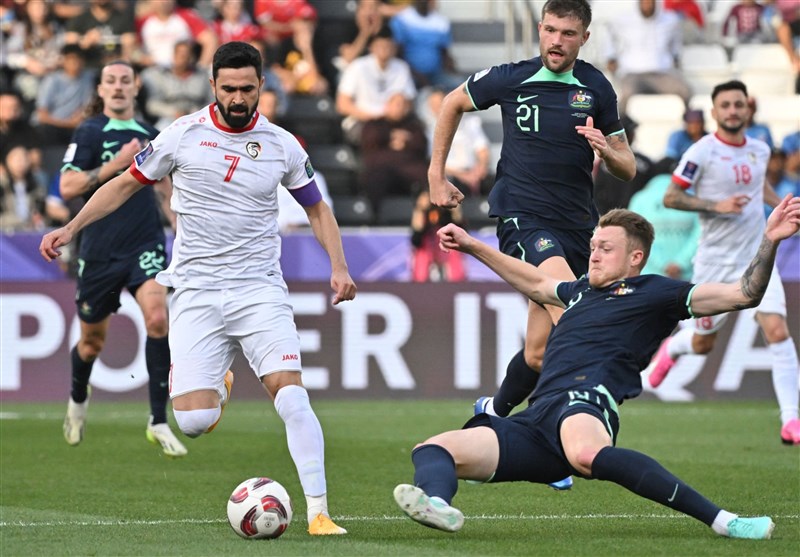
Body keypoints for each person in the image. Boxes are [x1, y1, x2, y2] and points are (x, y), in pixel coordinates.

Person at [40, 41, 356, 536]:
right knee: (192, 422)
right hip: (196, 292)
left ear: (261, 86)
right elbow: (124, 184)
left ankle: (319, 512)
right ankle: (220, 384)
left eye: (247, 89)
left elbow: (317, 208)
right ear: (212, 86)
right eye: (228, 88)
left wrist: (339, 265)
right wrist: (71, 227)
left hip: (259, 289)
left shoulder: (283, 145)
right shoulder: (182, 135)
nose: (237, 98)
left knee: (292, 398)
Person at [392, 198, 800, 537]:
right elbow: (535, 283)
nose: (595, 253)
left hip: (585, 402)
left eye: (606, 247)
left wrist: (769, 240)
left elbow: (744, 293)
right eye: (593, 245)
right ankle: (438, 505)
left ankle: (725, 521)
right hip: (536, 418)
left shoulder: (657, 292)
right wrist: (470, 245)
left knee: (586, 454)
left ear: (635, 257)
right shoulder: (579, 291)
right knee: (432, 449)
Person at [428, 0, 636, 482]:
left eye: (568, 33)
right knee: (574, 315)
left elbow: (627, 165)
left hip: (577, 227)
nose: (557, 41)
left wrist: (607, 151)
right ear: (540, 29)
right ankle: (558, 438)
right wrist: (436, 175)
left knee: (540, 354)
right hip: (523, 219)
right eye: (551, 30)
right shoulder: (510, 78)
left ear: (584, 38)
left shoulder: (596, 87)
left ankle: (494, 411)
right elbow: (451, 103)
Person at [650, 80, 800, 445]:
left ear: (748, 109)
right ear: (715, 112)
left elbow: (757, 188)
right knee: (703, 344)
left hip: (757, 257)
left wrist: (781, 206)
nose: (733, 111)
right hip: (714, 263)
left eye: (738, 104)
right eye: (726, 105)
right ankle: (673, 347)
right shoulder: (701, 152)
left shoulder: (760, 149)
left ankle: (791, 420)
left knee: (777, 331)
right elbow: (671, 197)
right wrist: (715, 205)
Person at [53, 59, 185, 457]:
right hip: (99, 251)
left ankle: (158, 421)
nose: (117, 87)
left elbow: (166, 190)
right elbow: (67, 185)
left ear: (136, 86)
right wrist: (117, 163)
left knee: (157, 318)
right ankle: (78, 399)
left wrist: (180, 227)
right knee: (91, 344)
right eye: (110, 80)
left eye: (125, 80)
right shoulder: (90, 131)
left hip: (145, 243)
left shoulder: (153, 135)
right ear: (101, 89)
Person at [604, 0, 691, 116]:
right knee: (624, 95)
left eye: (650, 3)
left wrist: (676, 57)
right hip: (633, 75)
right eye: (644, 3)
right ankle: (621, 126)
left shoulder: (670, 20)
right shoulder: (623, 19)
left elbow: (676, 44)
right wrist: (611, 56)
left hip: (661, 74)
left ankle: (687, 125)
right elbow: (610, 34)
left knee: (685, 90)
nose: (647, 5)